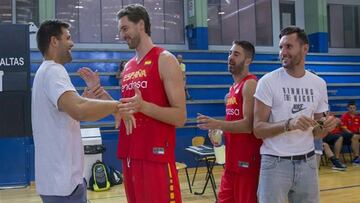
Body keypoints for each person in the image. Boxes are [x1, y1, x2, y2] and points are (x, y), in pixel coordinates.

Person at [78, 4, 186, 203]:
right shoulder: (128, 67)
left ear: (141, 25)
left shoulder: (165, 60)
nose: (121, 35)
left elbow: (180, 117)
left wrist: (143, 106)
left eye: (125, 28)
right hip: (130, 154)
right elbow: (121, 112)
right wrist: (97, 90)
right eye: (120, 29)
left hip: (156, 157)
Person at [32, 20, 135, 203]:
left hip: (58, 181)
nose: (72, 43)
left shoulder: (45, 72)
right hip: (63, 183)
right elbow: (79, 109)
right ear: (54, 41)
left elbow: (70, 110)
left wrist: (88, 95)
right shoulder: (54, 71)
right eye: (68, 38)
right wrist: (116, 106)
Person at [253, 26, 338, 203]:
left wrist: (326, 126)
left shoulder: (318, 83)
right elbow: (258, 129)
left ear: (304, 49)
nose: (283, 52)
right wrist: (288, 124)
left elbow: (317, 131)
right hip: (274, 163)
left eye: (288, 47)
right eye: (281, 47)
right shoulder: (267, 82)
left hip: (307, 163)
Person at [197, 41, 262, 203]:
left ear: (248, 60)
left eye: (236, 54)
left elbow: (248, 126)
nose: (230, 57)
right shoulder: (232, 88)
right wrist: (219, 133)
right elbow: (234, 122)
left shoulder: (250, 84)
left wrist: (217, 124)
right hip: (231, 163)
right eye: (230, 53)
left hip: (247, 164)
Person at [340, 101, 360, 165]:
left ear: (356, 108)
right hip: (347, 135)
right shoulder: (344, 116)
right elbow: (344, 128)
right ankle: (356, 158)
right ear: (347, 108)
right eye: (350, 108)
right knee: (355, 137)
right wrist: (352, 134)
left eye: (353, 108)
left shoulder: (358, 117)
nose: (352, 109)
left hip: (357, 134)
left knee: (356, 136)